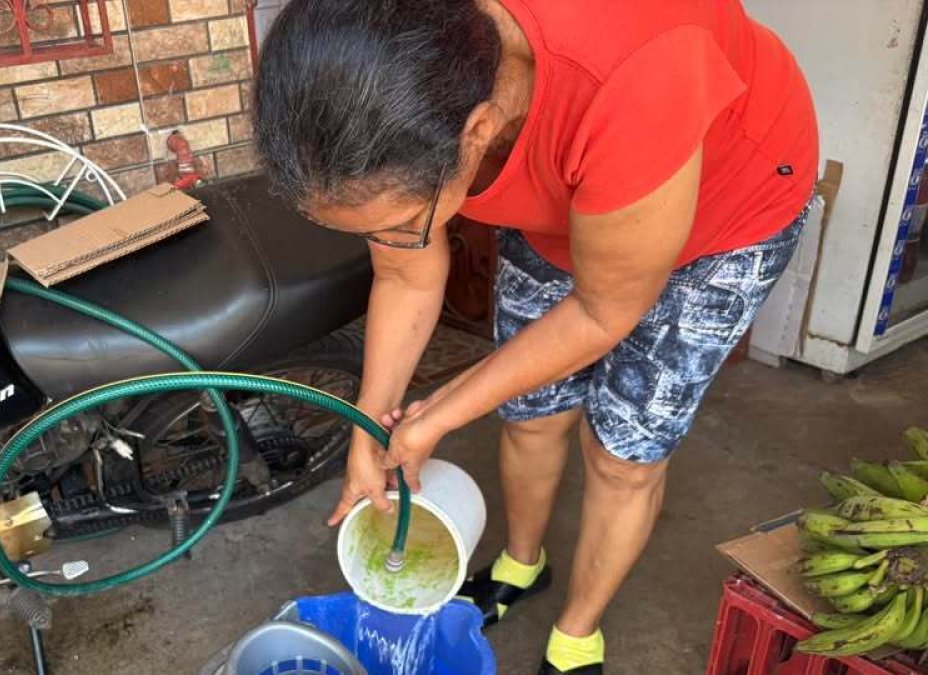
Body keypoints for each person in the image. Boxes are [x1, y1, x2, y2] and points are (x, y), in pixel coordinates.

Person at [253, 1, 818, 672]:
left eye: (402, 221)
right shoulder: (401, 63)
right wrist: (368, 425)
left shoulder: (636, 74)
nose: (392, 243)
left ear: (479, 129)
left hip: (725, 211)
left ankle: (578, 632)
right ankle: (523, 564)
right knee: (531, 412)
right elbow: (405, 275)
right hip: (574, 179)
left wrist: (442, 411)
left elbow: (604, 311)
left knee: (622, 453)